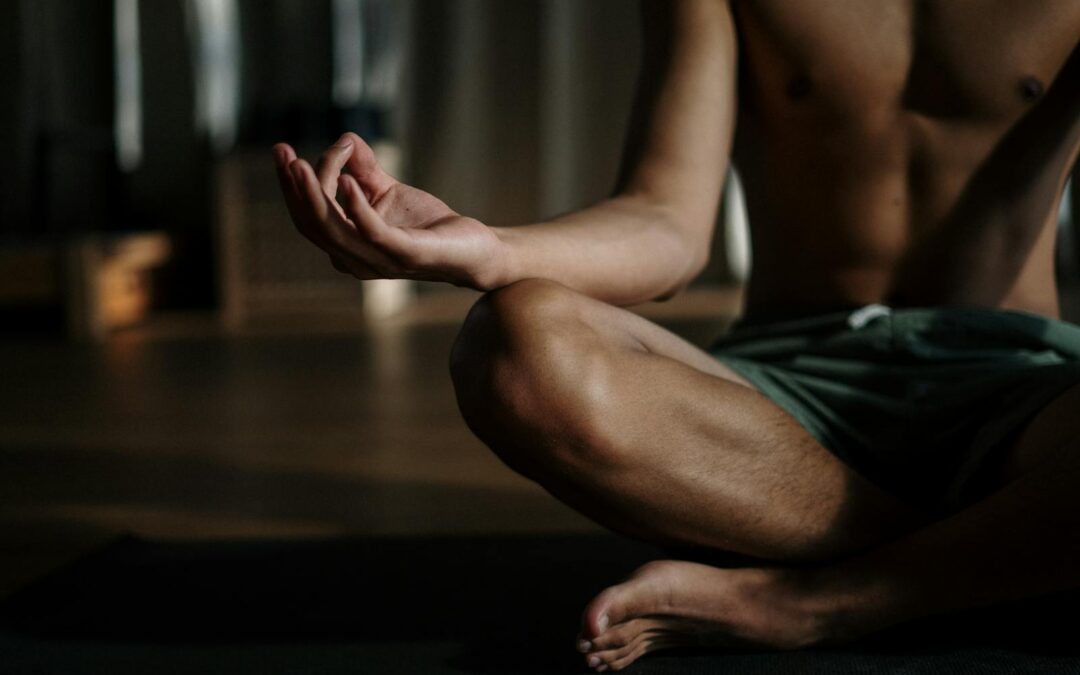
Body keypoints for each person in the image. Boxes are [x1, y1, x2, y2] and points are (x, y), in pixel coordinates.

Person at [273, 0, 1080, 670]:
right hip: (778, 402)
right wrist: (487, 248)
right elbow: (668, 224)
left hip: (1013, 383)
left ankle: (821, 599)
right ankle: (981, 559)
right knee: (513, 348)